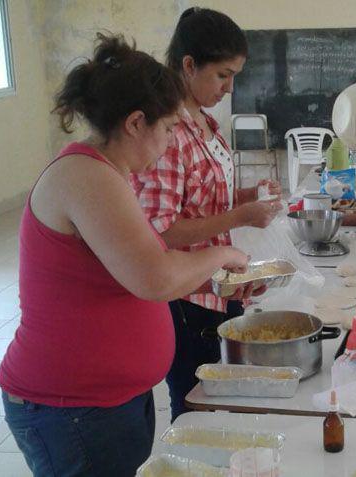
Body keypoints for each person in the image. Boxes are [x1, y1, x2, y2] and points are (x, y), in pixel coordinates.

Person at [0, 34, 252, 477]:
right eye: (169, 128)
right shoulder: (85, 176)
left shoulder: (113, 174)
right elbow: (154, 277)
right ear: (136, 123)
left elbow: (136, 267)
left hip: (107, 401)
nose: (173, 141)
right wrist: (222, 254)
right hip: (71, 408)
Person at [131, 7, 282, 423]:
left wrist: (249, 196)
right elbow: (161, 231)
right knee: (196, 400)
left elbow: (205, 196)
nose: (230, 87)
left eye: (234, 75)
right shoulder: (168, 133)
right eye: (222, 75)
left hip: (216, 284)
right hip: (187, 296)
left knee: (221, 389)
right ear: (188, 65)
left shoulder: (206, 122)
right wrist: (241, 217)